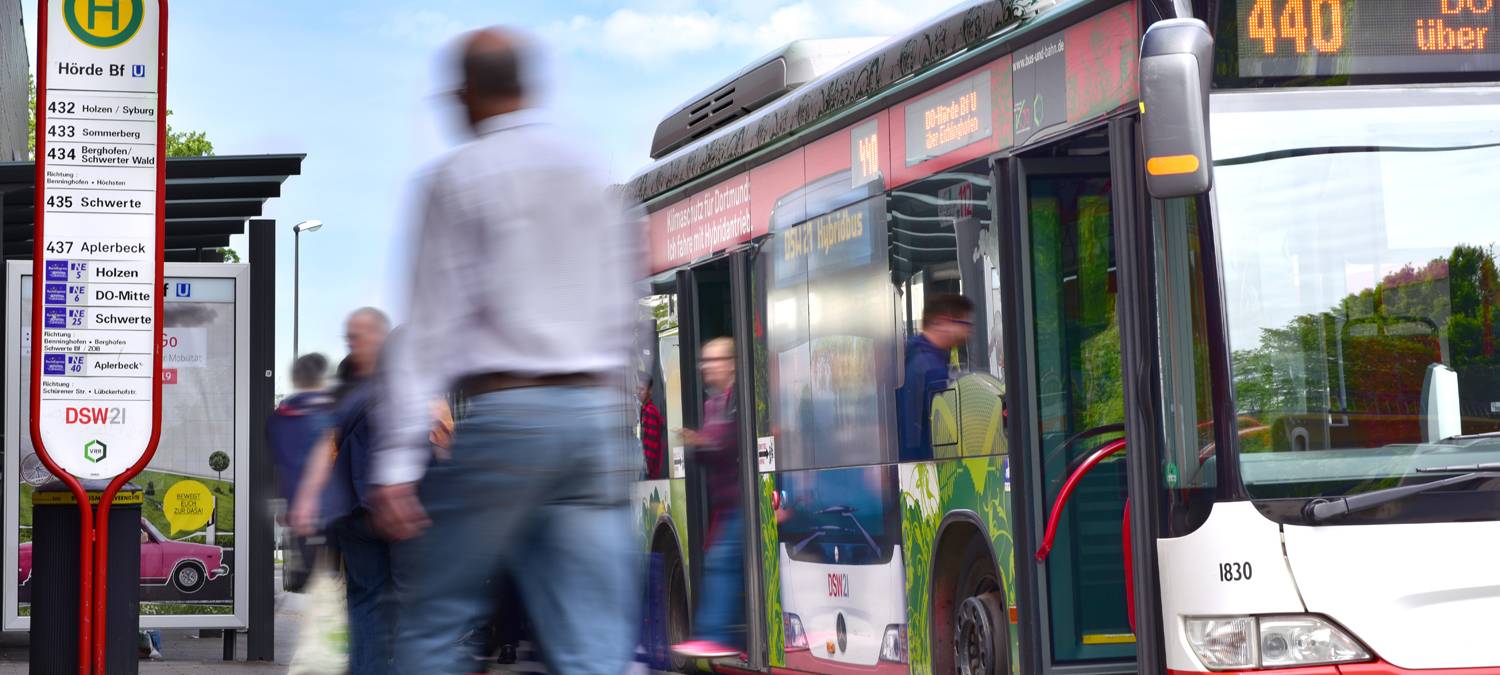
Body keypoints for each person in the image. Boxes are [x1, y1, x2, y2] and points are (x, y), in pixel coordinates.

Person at [369, 27, 642, 675]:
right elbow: (623, 307)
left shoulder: (458, 176)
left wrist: (395, 462)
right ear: (526, 84)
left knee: (435, 615)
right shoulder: (587, 167)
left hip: (509, 417)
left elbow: (431, 324)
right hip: (593, 422)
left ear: (465, 96)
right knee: (593, 641)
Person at [290, 307, 393, 675]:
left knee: (366, 599)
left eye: (356, 336)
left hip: (354, 511)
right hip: (398, 510)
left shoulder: (344, 398)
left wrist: (306, 502)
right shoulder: (409, 389)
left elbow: (324, 449)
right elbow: (442, 439)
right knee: (404, 603)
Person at [672, 337, 743, 659]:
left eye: (712, 361)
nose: (705, 368)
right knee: (722, 562)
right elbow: (711, 452)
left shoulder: (742, 398)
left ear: (730, 363)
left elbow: (730, 442)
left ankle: (714, 635)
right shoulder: (713, 403)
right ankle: (719, 635)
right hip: (726, 504)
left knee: (722, 563)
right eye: (703, 362)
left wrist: (700, 441)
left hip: (744, 501)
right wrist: (699, 444)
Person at [266, 352, 334, 592]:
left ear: (296, 378)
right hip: (335, 512)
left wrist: (282, 505)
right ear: (324, 377)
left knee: (314, 585)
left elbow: (275, 465)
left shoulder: (278, 418)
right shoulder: (332, 413)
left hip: (297, 514)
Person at [896, 294, 974, 461]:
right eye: (964, 324)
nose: (968, 331)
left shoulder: (913, 356)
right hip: (926, 467)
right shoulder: (931, 369)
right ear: (942, 322)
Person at [639, 374, 665, 478]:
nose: (639, 392)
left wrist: (646, 468)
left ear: (650, 391)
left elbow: (650, 445)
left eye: (642, 389)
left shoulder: (650, 412)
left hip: (649, 471)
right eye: (638, 389)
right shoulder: (644, 410)